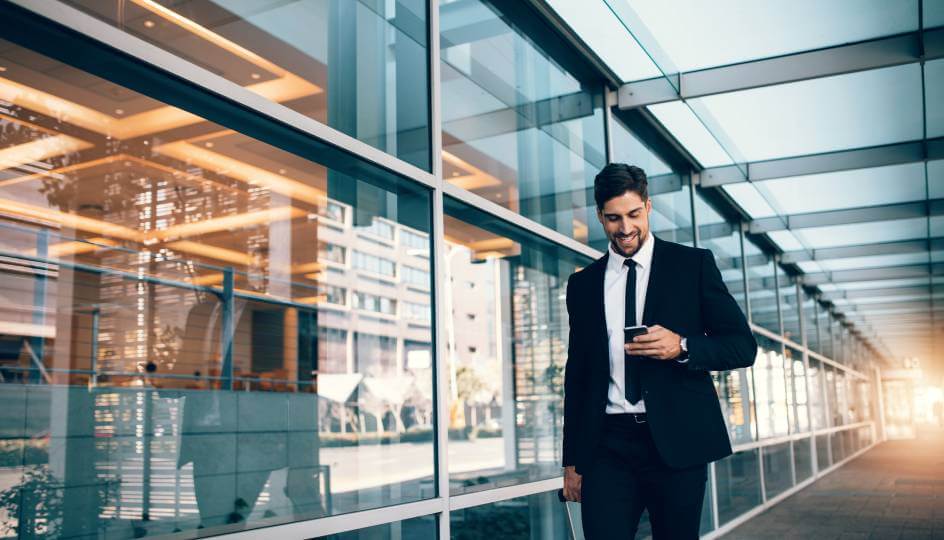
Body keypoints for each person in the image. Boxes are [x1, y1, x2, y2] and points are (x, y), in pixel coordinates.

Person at [560, 163, 757, 539]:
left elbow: (742, 347)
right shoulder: (582, 285)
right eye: (614, 218)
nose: (625, 228)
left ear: (648, 207)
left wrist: (682, 346)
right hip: (607, 446)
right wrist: (572, 461)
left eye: (634, 214)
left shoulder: (692, 266)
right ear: (600, 216)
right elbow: (578, 377)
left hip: (676, 441)